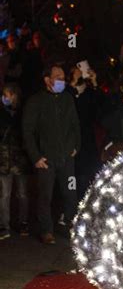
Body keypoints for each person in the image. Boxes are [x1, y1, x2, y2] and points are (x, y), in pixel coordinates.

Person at [22, 64, 81, 245]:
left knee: (70, 192)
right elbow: (27, 131)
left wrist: (75, 146)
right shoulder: (35, 102)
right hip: (46, 159)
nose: (62, 80)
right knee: (45, 195)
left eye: (63, 77)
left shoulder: (67, 99)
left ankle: (69, 225)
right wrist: (36, 156)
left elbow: (75, 125)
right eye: (58, 77)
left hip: (66, 158)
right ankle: (46, 230)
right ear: (47, 80)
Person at [67, 64, 103, 199]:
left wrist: (94, 82)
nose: (79, 73)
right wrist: (72, 84)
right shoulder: (66, 92)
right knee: (72, 177)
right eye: (75, 71)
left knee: (87, 175)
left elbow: (99, 109)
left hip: (87, 140)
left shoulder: (89, 93)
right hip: (69, 140)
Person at [0, 84, 31, 239]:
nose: (5, 98)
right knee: (4, 194)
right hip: (4, 160)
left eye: (7, 95)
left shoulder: (24, 112)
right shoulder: (2, 112)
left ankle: (23, 222)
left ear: (14, 95)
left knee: (22, 193)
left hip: (20, 160)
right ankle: (4, 226)